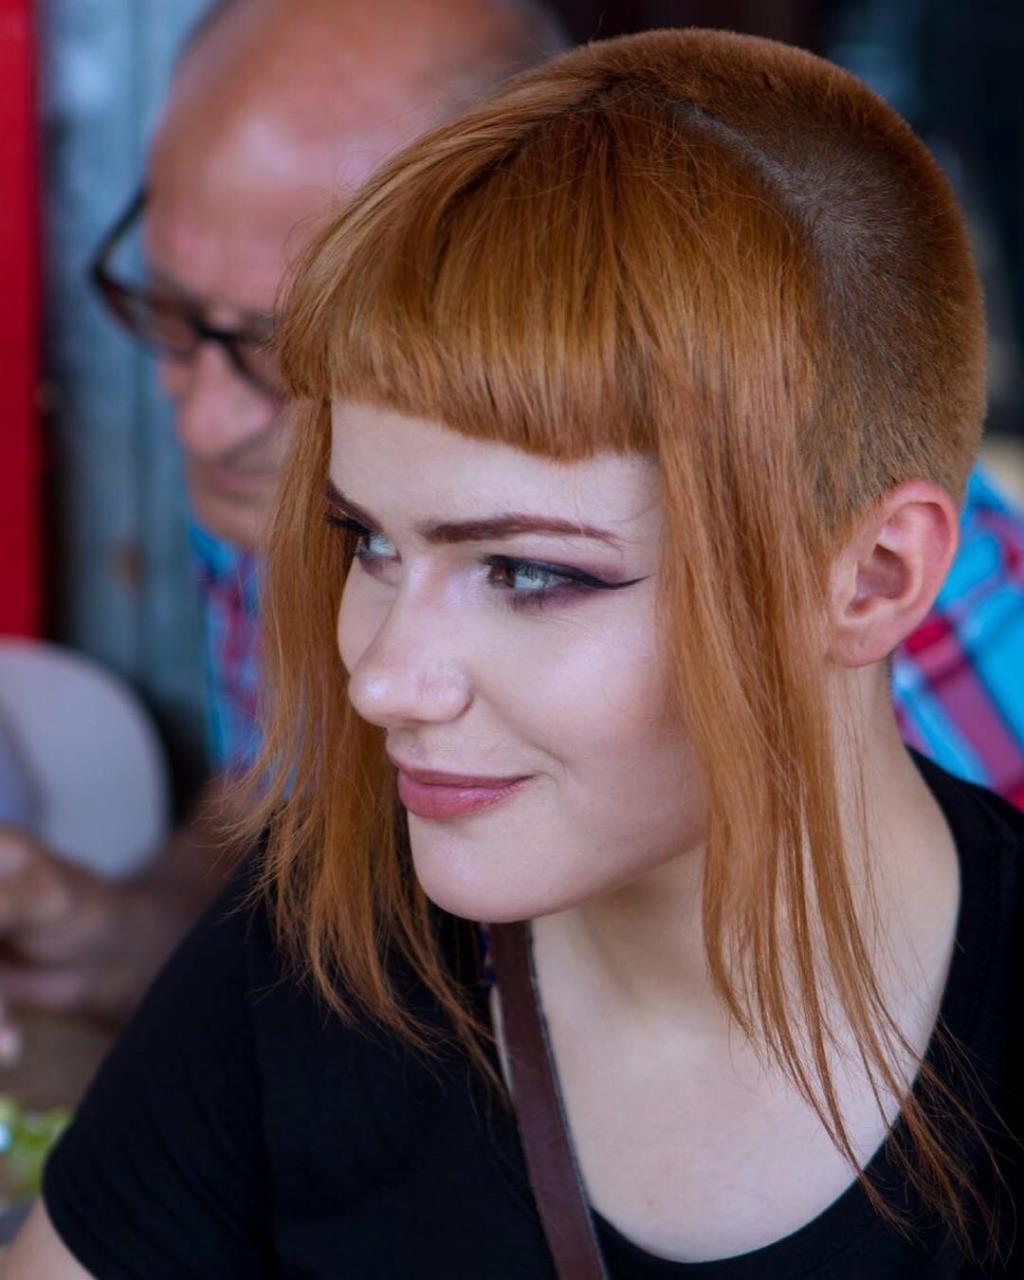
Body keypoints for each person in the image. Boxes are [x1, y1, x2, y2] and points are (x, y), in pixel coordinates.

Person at [6, 27, 1023, 1278]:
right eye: (366, 541)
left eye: (531, 573)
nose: (380, 679)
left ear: (872, 579)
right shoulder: (310, 951)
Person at [0, 0, 568, 1025]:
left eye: (284, 352)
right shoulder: (284, 477)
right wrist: (126, 933)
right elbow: (274, 788)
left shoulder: (698, 582)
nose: (207, 424)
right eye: (173, 314)